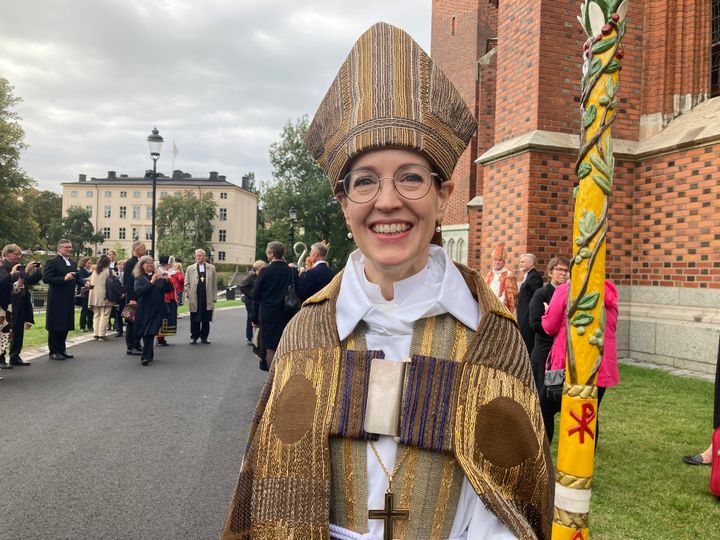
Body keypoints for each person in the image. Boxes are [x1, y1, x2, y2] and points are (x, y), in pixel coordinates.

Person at [222, 22, 552, 540]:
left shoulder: (494, 338)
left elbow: (510, 507)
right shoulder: (307, 336)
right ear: (344, 202)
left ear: (443, 195)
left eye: (412, 176)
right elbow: (271, 494)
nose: (388, 201)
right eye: (365, 180)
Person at [541, 278, 619, 445]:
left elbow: (550, 326)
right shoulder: (607, 292)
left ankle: (544, 449)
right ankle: (586, 455)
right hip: (601, 364)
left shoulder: (565, 290)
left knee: (546, 406)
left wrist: (547, 312)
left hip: (569, 362)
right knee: (590, 411)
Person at [250, 242, 298, 371]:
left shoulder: (265, 270)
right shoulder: (291, 271)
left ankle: (272, 379)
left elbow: (255, 294)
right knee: (285, 345)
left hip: (269, 313)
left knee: (270, 347)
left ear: (271, 253)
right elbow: (299, 290)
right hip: (287, 312)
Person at [527, 257, 570, 394]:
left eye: (566, 270)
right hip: (545, 349)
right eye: (559, 269)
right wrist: (551, 322)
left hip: (563, 352)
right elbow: (534, 324)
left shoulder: (571, 294)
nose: (563, 273)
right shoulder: (541, 294)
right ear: (550, 273)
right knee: (543, 392)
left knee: (559, 393)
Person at [0, 244, 42, 367]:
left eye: (20, 254)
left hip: (21, 300)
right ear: (7, 254)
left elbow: (28, 280)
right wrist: (18, 273)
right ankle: (1, 358)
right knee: (5, 330)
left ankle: (15, 356)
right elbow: (6, 282)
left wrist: (37, 272)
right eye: (16, 254)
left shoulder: (19, 267)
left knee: (18, 329)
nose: (19, 257)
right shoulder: (4, 267)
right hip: (8, 303)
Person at [44, 239, 82, 360]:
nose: (69, 249)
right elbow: (47, 278)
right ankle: (53, 351)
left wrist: (84, 284)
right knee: (56, 324)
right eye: (66, 247)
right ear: (59, 248)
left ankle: (62, 348)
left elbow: (76, 277)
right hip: (56, 298)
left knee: (65, 323)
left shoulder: (72, 262)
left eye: (70, 247)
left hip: (68, 297)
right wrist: (63, 279)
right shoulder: (52, 262)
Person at [133, 255, 172, 366]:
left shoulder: (158, 276)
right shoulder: (139, 278)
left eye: (151, 263)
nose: (149, 265)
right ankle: (148, 354)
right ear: (142, 265)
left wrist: (167, 280)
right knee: (146, 332)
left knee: (150, 332)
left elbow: (167, 290)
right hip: (144, 309)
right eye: (147, 263)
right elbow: (139, 292)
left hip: (157, 308)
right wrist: (151, 282)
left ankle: (145, 356)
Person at [185, 249, 217, 344]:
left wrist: (214, 297)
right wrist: (187, 292)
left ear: (204, 256)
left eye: (200, 256)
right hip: (195, 296)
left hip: (207, 296)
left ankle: (204, 337)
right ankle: (194, 336)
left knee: (206, 318)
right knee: (194, 317)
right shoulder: (190, 268)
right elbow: (186, 283)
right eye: (197, 256)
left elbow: (214, 284)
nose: (198, 257)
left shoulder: (211, 268)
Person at [516, 253, 544, 355]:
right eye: (520, 262)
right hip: (524, 314)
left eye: (523, 262)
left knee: (528, 341)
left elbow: (537, 297)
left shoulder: (534, 277)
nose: (520, 264)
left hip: (528, 315)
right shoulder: (528, 276)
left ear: (531, 263)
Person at [123, 241, 146, 355]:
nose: (145, 250)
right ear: (136, 249)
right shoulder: (130, 263)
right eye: (143, 248)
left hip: (140, 297)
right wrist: (131, 297)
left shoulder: (141, 262)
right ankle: (130, 346)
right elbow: (127, 282)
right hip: (133, 297)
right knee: (131, 323)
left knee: (139, 322)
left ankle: (137, 344)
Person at [484, 243, 518, 312]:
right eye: (495, 260)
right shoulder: (489, 274)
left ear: (504, 262)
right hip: (489, 307)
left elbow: (511, 296)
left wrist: (499, 306)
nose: (497, 262)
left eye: (499, 260)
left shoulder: (509, 275)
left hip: (501, 308)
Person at [238, 260, 265, 345]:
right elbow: (242, 286)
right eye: (263, 266)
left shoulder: (262, 276)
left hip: (258, 300)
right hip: (250, 300)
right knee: (251, 317)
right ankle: (249, 337)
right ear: (259, 267)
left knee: (258, 318)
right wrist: (251, 294)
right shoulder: (251, 277)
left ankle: (257, 337)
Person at [87, 254, 114, 341]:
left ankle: (96, 333)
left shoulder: (94, 272)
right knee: (105, 315)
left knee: (96, 315)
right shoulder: (109, 272)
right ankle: (101, 334)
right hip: (105, 296)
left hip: (94, 296)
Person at [156, 255, 180, 346]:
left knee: (168, 318)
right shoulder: (159, 273)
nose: (172, 264)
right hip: (164, 299)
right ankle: (159, 337)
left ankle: (163, 337)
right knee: (162, 318)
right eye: (170, 262)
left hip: (171, 298)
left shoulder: (170, 272)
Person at [77, 257, 94, 331]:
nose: (90, 264)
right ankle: (82, 326)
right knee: (84, 309)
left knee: (90, 309)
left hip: (90, 291)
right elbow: (80, 280)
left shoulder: (90, 271)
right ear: (84, 263)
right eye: (88, 263)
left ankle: (90, 325)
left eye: (91, 263)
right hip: (84, 292)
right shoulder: (81, 271)